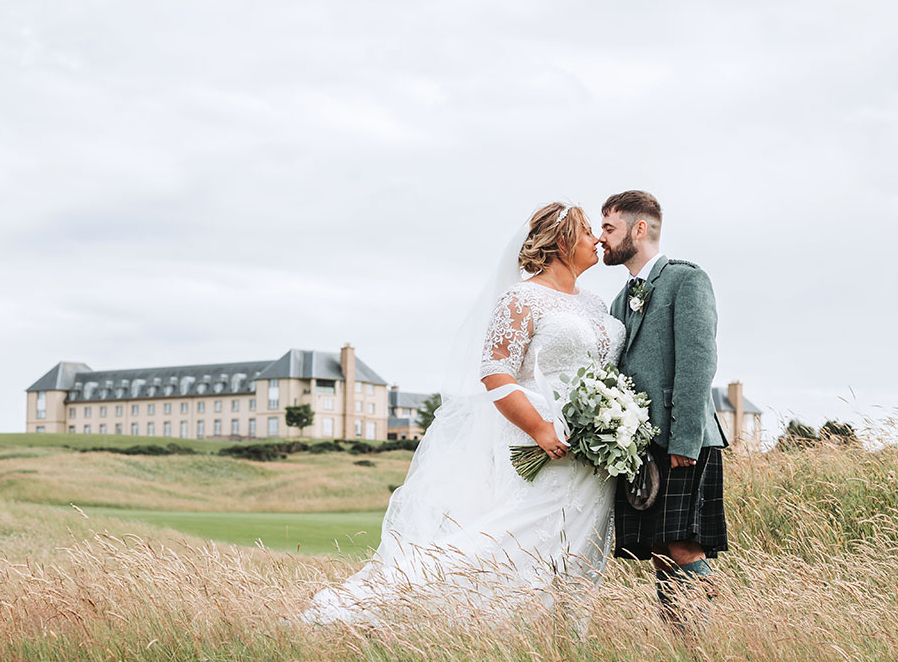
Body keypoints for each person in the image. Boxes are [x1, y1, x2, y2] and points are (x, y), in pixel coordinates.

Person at [302, 203, 625, 626]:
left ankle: (561, 634)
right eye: (588, 234)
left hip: (596, 452)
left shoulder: (598, 304)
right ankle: (370, 609)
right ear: (563, 243)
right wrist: (540, 428)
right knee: (520, 536)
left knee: (578, 543)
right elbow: (495, 370)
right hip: (542, 443)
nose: (598, 240)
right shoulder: (522, 297)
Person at [598, 190, 728, 629]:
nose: (601, 239)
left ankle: (702, 644)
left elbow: (698, 361)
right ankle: (681, 646)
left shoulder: (686, 280)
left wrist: (685, 438)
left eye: (609, 228)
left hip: (682, 439)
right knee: (657, 549)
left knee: (683, 546)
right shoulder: (619, 300)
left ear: (639, 229)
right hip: (639, 444)